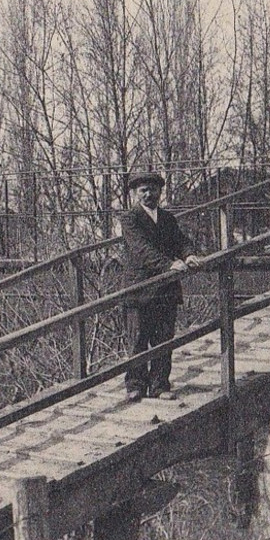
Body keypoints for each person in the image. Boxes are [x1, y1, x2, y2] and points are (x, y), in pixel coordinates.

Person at [120, 172, 201, 401]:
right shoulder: (130, 219)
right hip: (140, 288)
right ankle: (135, 386)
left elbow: (181, 241)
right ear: (135, 194)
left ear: (160, 192)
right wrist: (169, 264)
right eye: (143, 190)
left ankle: (159, 386)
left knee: (164, 339)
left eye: (152, 189)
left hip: (166, 290)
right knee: (137, 339)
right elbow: (141, 249)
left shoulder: (167, 219)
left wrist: (189, 254)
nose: (148, 194)